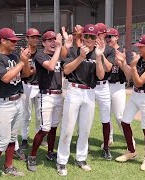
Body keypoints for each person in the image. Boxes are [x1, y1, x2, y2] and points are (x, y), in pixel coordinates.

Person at [56, 24, 105, 176]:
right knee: (68, 128)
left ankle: (81, 158)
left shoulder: (98, 53)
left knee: (85, 129)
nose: (89, 39)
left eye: (92, 36)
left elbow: (101, 76)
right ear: (83, 36)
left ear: (97, 38)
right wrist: (81, 57)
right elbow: (66, 70)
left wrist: (98, 56)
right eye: (87, 36)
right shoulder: (74, 51)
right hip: (74, 90)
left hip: (90, 92)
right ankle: (62, 161)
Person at [0, 28, 31, 179]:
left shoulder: (15, 56)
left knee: (12, 138)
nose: (15, 43)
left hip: (18, 99)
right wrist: (21, 62)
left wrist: (25, 62)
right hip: (3, 103)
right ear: (3, 41)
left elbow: (26, 74)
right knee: (2, 140)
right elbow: (6, 77)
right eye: (12, 41)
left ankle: (8, 167)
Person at [115, 34, 145, 171]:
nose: (139, 48)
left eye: (141, 46)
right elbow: (129, 75)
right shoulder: (139, 58)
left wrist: (133, 66)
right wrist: (123, 63)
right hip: (136, 95)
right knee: (125, 121)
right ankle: (131, 151)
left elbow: (139, 82)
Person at [27, 31, 64, 171]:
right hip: (46, 95)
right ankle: (32, 156)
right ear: (43, 43)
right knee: (44, 128)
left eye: (55, 40)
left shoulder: (58, 55)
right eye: (50, 40)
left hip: (58, 94)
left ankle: (50, 152)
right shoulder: (40, 55)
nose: (53, 42)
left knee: (54, 127)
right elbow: (50, 66)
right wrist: (59, 48)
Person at [13, 28, 41, 161]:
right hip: (26, 85)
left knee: (39, 115)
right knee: (26, 115)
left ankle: (38, 137)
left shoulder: (41, 53)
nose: (35, 39)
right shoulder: (22, 52)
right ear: (27, 38)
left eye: (37, 37)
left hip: (39, 86)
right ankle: (24, 138)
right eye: (33, 37)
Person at [105, 28, 134, 146]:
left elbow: (129, 75)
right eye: (106, 36)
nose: (108, 39)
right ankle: (108, 139)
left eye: (110, 36)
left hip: (118, 86)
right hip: (105, 85)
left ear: (117, 37)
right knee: (106, 116)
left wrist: (122, 62)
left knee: (119, 116)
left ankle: (130, 142)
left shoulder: (124, 52)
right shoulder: (104, 51)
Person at [94, 23, 115, 160]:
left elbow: (109, 68)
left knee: (105, 118)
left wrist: (100, 54)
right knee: (83, 117)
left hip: (103, 86)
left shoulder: (109, 50)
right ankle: (80, 142)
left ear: (103, 35)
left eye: (99, 33)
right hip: (89, 85)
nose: (96, 35)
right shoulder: (87, 48)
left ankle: (106, 148)